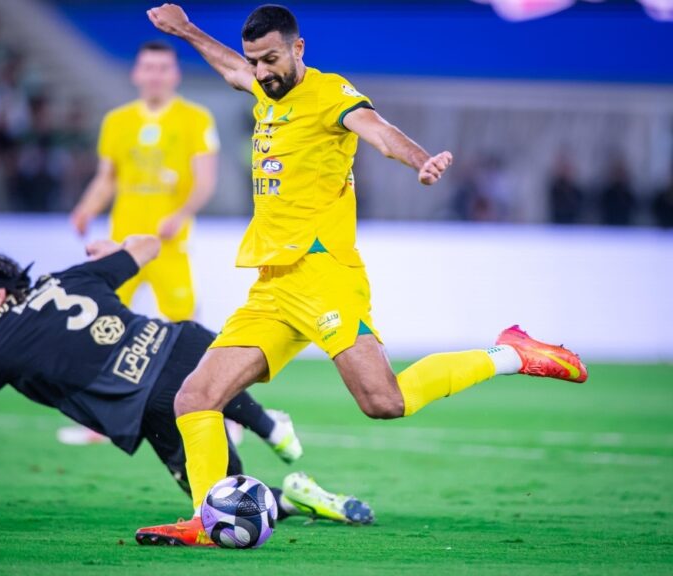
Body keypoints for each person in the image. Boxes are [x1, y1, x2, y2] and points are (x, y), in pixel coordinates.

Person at [140, 3, 589, 546]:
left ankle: (513, 353)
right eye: (257, 62)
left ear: (298, 49)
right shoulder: (263, 86)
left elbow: (377, 129)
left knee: (384, 402)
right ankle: (208, 524)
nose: (261, 72)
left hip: (325, 274)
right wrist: (186, 29)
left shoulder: (330, 94)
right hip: (273, 284)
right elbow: (232, 69)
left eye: (271, 60)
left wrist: (420, 159)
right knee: (194, 399)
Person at [0, 235, 375, 546]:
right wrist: (114, 248)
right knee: (226, 484)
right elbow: (149, 245)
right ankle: (294, 484)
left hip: (151, 399)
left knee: (216, 506)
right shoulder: (69, 278)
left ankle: (276, 460)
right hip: (184, 341)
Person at [70, 40, 218, 322]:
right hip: (123, 241)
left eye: (163, 68)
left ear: (176, 74)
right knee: (108, 316)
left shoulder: (196, 119)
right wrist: (86, 209)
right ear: (136, 73)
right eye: (149, 68)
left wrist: (181, 214)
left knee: (183, 320)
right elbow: (106, 178)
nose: (155, 76)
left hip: (169, 240)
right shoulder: (117, 121)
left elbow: (206, 180)